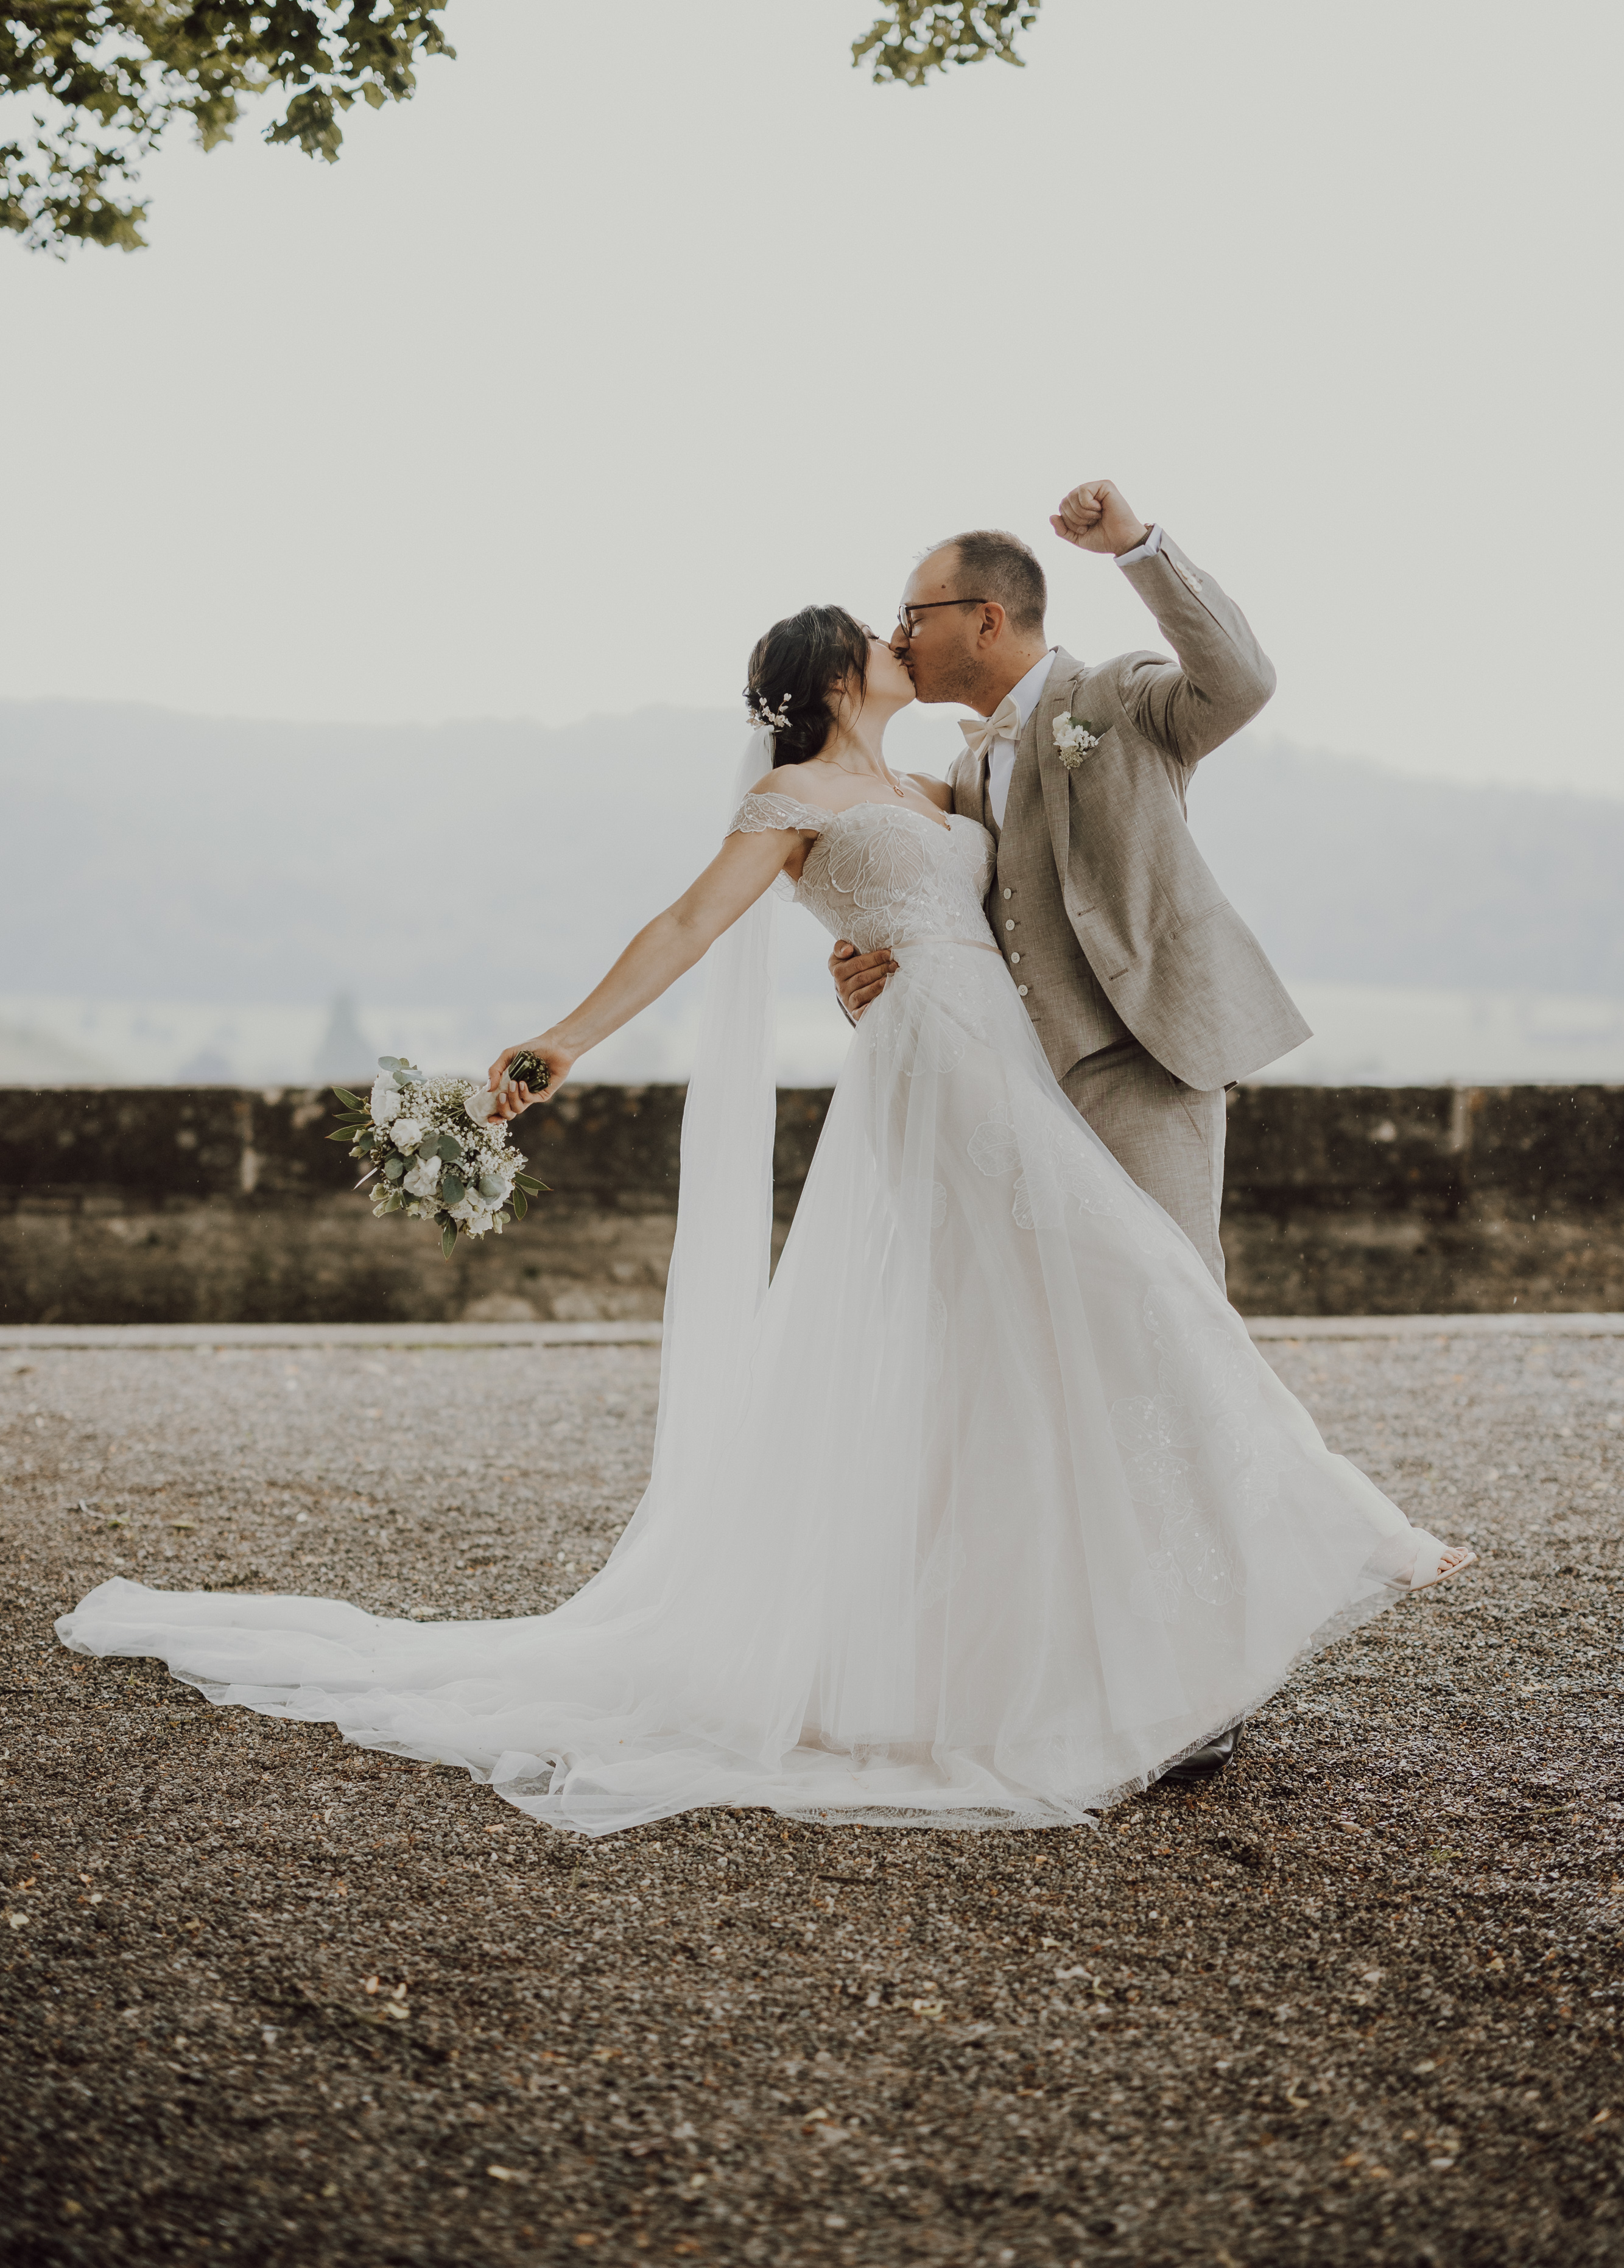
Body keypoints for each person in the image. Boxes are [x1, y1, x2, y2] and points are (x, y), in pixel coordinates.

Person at [57, 587, 1472, 1838]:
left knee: (1037, 1338)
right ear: (833, 674)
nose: (895, 637)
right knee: (1127, 1278)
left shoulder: (940, 785)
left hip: (1006, 1055)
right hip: (935, 1066)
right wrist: (559, 1042)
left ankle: (1078, 1644)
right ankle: (1341, 1529)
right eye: (875, 634)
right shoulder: (790, 801)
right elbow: (684, 926)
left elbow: (1021, 903)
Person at [831, 478, 1307, 1294]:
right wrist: (868, 977)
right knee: (1055, 1325)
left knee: (1172, 1305)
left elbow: (1242, 683)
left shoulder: (1118, 697)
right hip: (1012, 1084)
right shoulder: (964, 765)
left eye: (915, 616)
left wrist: (1138, 546)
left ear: (988, 619)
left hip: (1144, 1060)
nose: (900, 638)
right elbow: (957, 920)